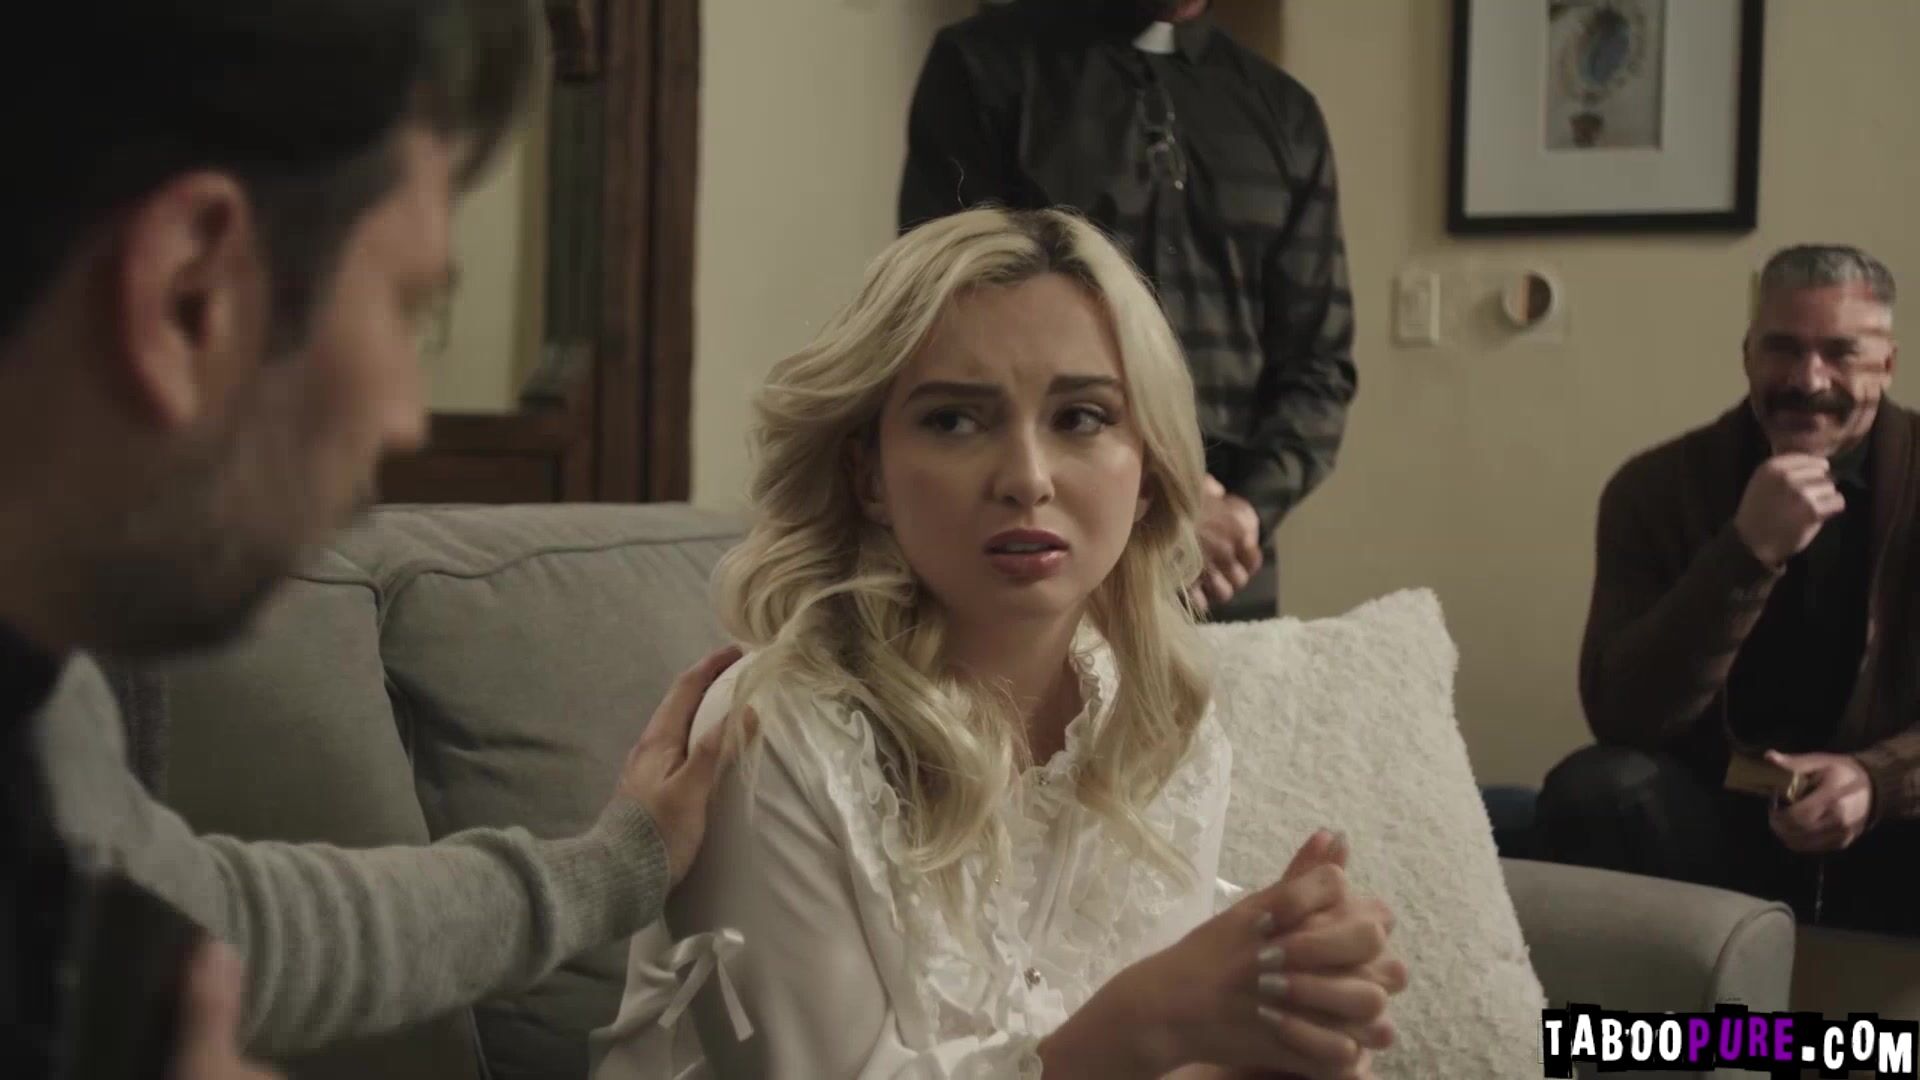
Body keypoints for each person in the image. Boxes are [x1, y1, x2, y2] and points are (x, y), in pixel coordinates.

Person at [1, 4, 740, 1077]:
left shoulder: (47, 706)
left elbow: (210, 919)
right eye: (409, 308)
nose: (405, 416)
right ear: (190, 292)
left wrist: (619, 865)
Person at [589, 208, 1405, 1080]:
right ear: (868, 474)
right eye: (954, 421)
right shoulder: (767, 731)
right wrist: (1147, 1023)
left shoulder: (1160, 718)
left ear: (1147, 473)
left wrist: (1273, 1049)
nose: (1026, 478)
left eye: (1082, 416)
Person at [897, 0, 1356, 622]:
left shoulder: (1286, 113)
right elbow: (950, 324)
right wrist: (1161, 497)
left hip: (1223, 569)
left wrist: (1243, 510)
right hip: (1042, 541)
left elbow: (1319, 367)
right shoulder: (982, 67)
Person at [1538, 244, 1919, 936]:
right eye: (1783, 349)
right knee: (1593, 790)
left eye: (1841, 353)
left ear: (1887, 364)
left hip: (1891, 826)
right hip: (1716, 819)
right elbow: (1623, 717)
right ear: (1747, 355)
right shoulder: (1653, 489)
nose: (1807, 379)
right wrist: (1747, 553)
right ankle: (1669, 1009)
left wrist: (1876, 782)